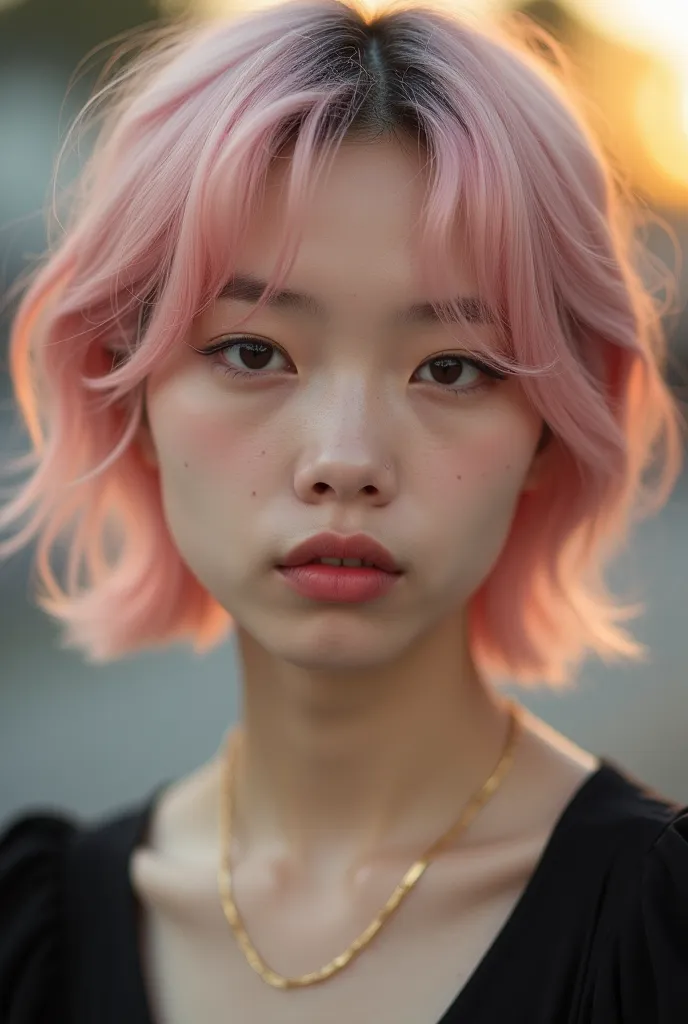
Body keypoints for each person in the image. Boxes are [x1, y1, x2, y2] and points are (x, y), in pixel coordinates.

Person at [0, 0, 686, 1020]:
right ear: (128, 390)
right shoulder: (33, 938)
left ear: (548, 427)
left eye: (450, 367)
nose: (345, 461)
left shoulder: (656, 934)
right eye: (251, 351)